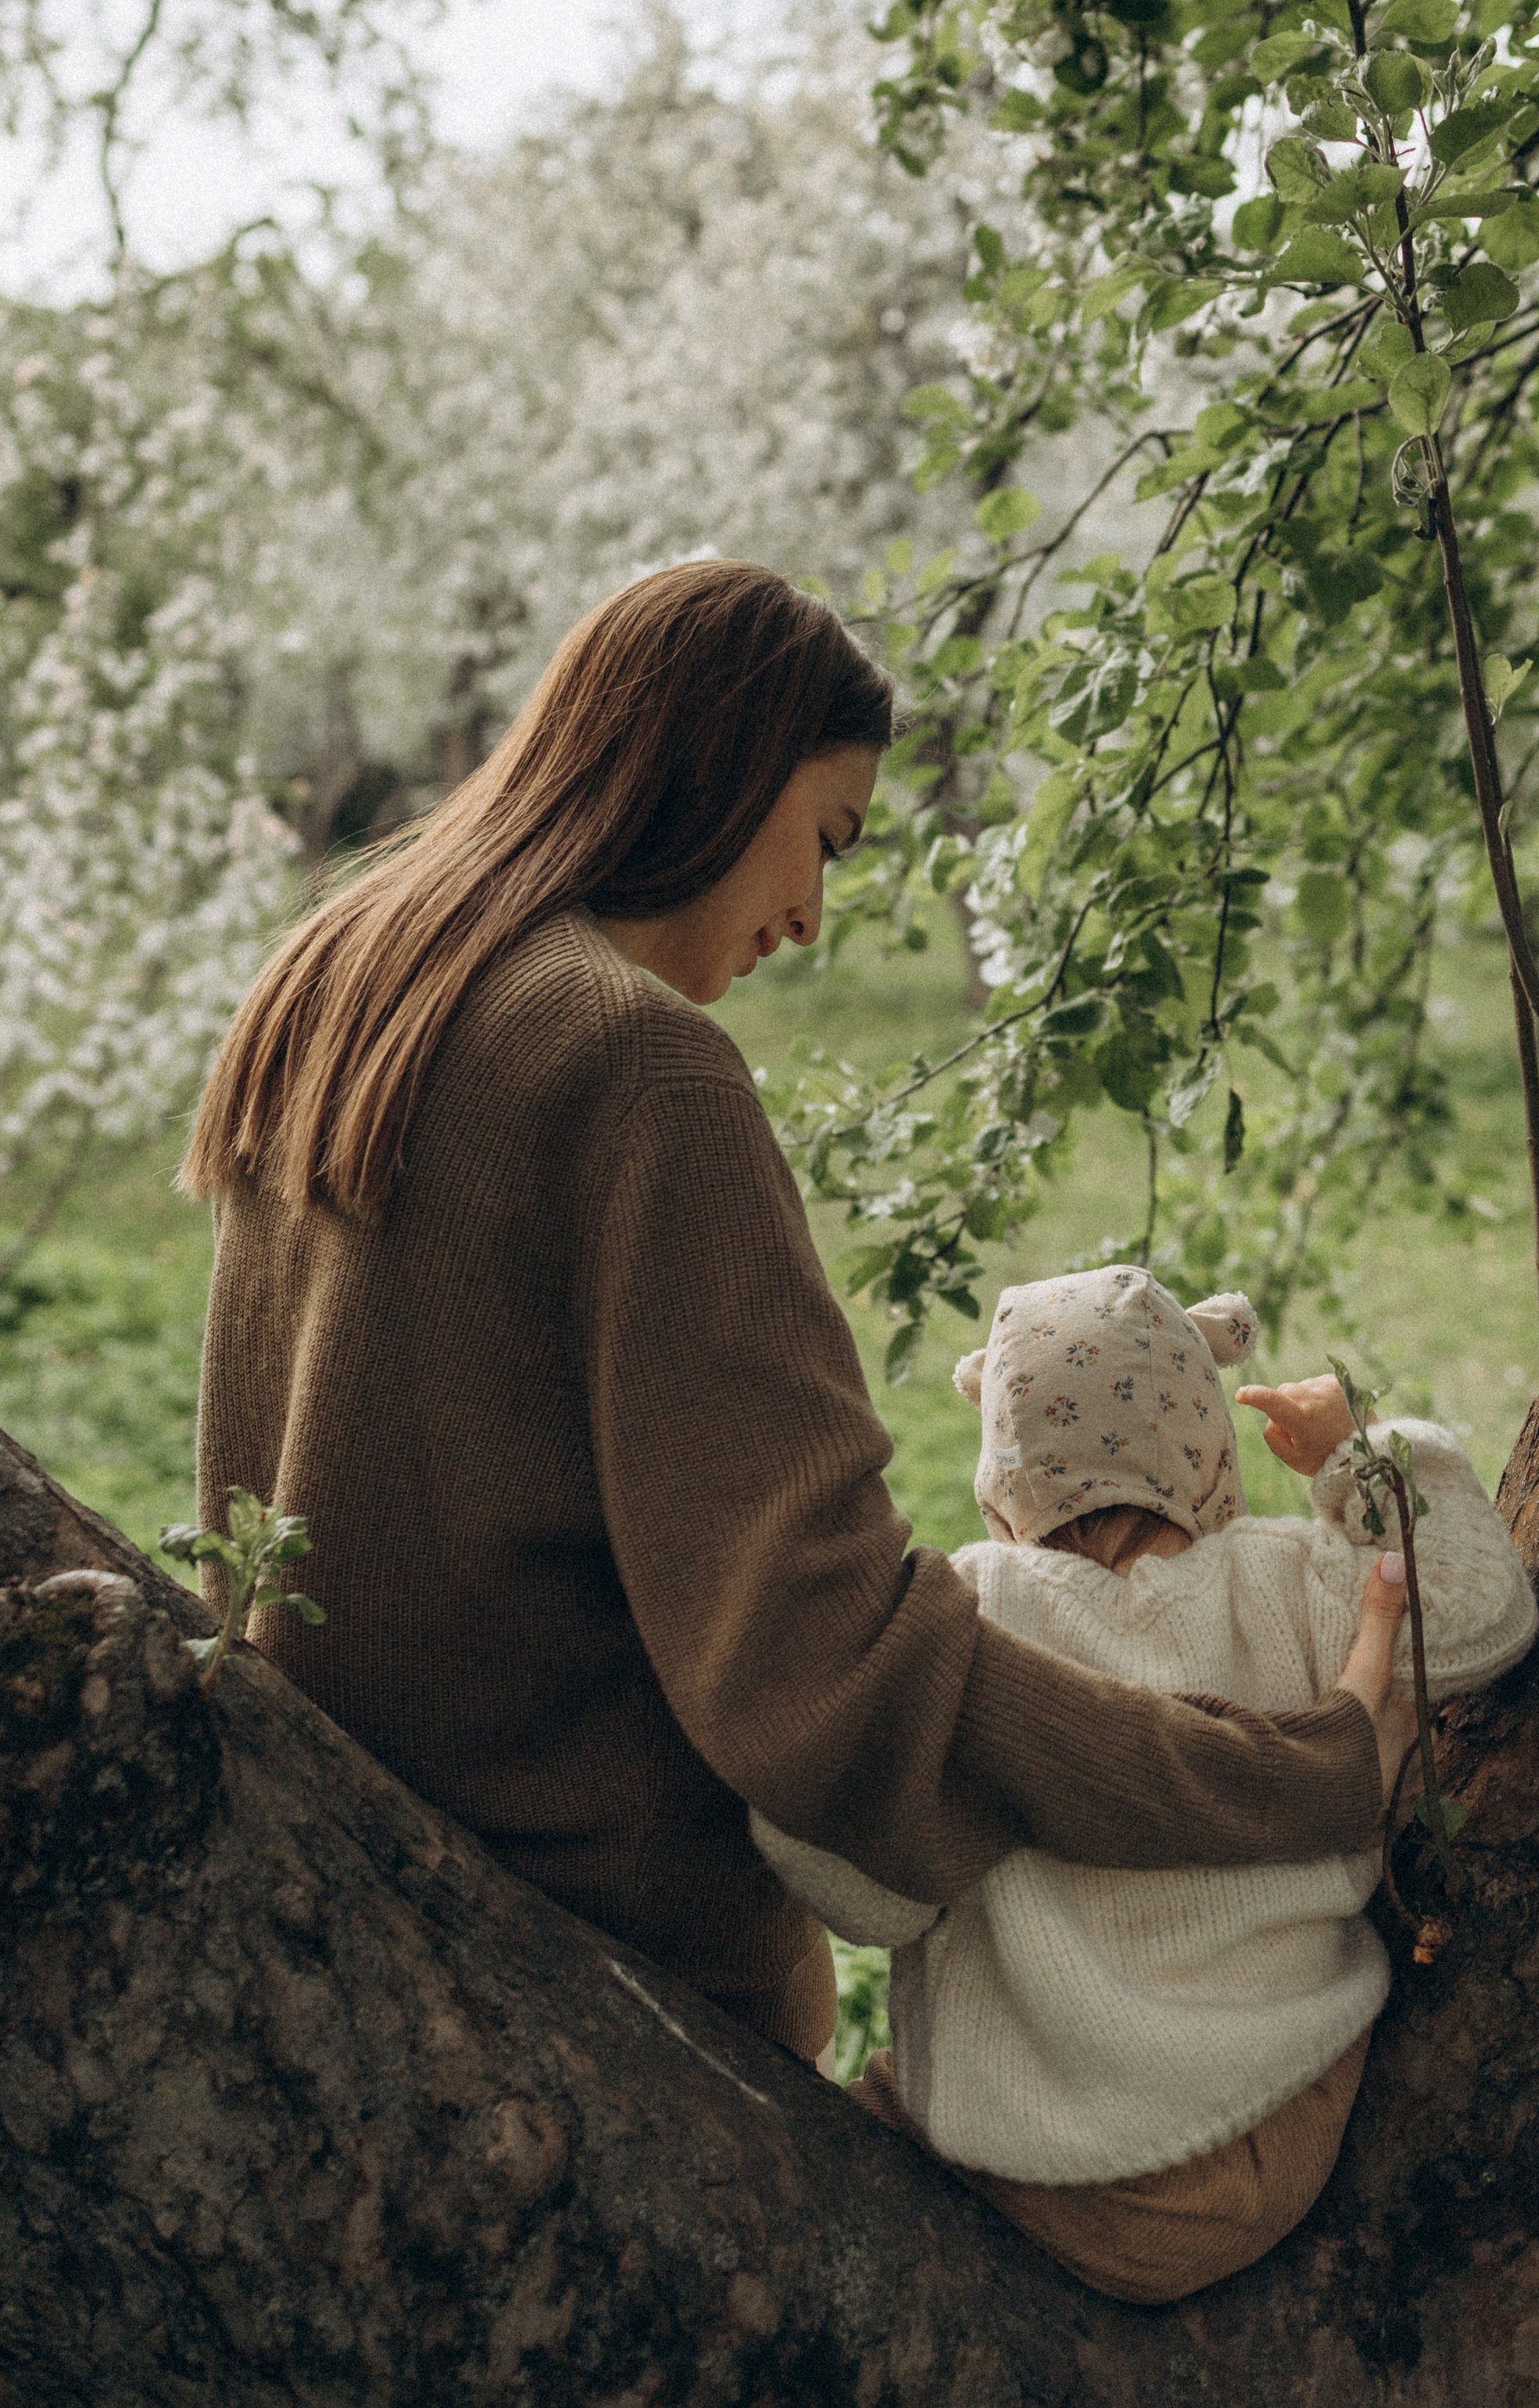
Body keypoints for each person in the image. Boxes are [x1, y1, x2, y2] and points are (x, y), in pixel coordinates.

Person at [184, 562, 1397, 2071]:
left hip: (337, 1888)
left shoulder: (339, 979)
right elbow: (833, 1665)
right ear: (722, 761)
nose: (814, 919)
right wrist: (1299, 1774)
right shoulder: (637, 1068)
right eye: (825, 838)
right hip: (615, 1985)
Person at [753, 1263, 1539, 2302]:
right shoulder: (1292, 1581)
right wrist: (1363, 1450)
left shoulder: (969, 1617)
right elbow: (1484, 1615)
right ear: (1209, 1451)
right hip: (1270, 2142)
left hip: (1028, 2162)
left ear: (999, 1487)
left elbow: (863, 1890)